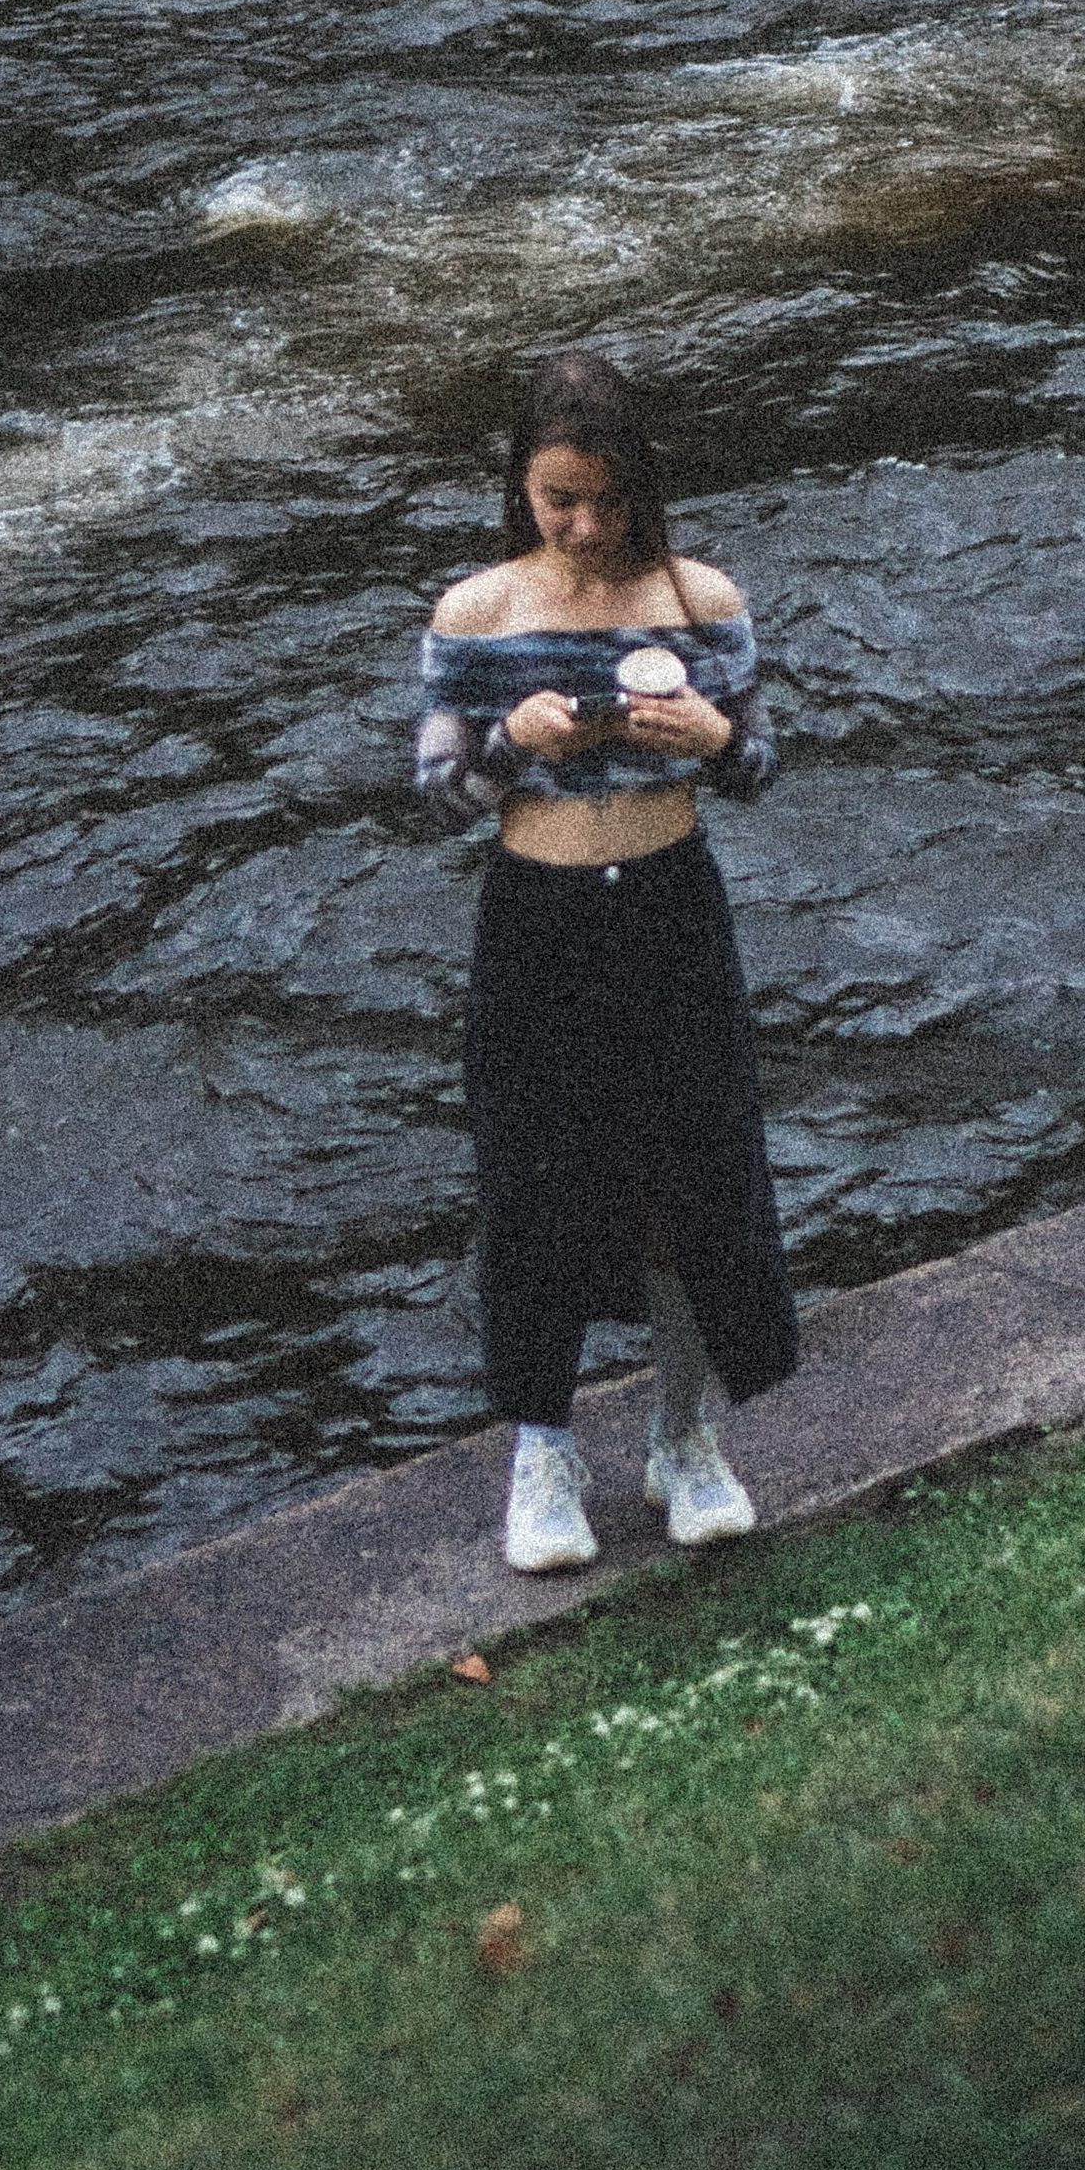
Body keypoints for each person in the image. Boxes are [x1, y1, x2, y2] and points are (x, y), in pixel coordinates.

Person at [417, 348, 798, 1574]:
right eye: (557, 501)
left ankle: (684, 1437)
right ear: (520, 491)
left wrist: (716, 732)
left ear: (644, 486)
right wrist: (506, 748)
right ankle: (542, 1457)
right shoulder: (477, 615)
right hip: (539, 917)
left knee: (690, 1179)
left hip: (671, 911)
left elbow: (758, 768)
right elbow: (434, 798)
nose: (585, 526)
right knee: (535, 1188)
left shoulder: (700, 599)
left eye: (608, 499)